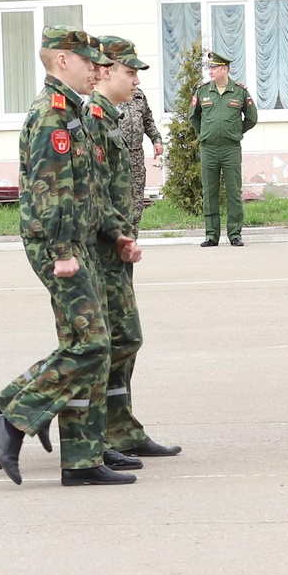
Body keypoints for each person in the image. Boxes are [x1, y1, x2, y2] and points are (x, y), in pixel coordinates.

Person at [0, 29, 130, 487]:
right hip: (58, 245)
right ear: (63, 61)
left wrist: (115, 232)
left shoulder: (74, 113)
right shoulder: (51, 117)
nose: (96, 70)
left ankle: (81, 461)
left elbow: (89, 188)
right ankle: (10, 417)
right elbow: (51, 194)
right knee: (92, 344)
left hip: (81, 240)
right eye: (88, 62)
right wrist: (63, 252)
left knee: (89, 348)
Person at [96, 36, 178, 464]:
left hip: (122, 229)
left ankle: (122, 427)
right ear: (104, 69)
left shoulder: (125, 104)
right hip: (99, 244)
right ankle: (12, 412)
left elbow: (143, 132)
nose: (134, 79)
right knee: (99, 344)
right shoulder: (87, 115)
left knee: (125, 339)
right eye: (128, 71)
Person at [190, 50, 257, 246]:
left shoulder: (240, 91)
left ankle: (235, 234)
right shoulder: (202, 91)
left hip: (230, 149)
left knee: (234, 193)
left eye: (214, 67)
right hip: (209, 149)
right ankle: (211, 235)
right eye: (209, 67)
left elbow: (252, 118)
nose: (210, 71)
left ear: (224, 69)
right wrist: (203, 134)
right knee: (209, 192)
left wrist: (236, 132)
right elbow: (193, 116)